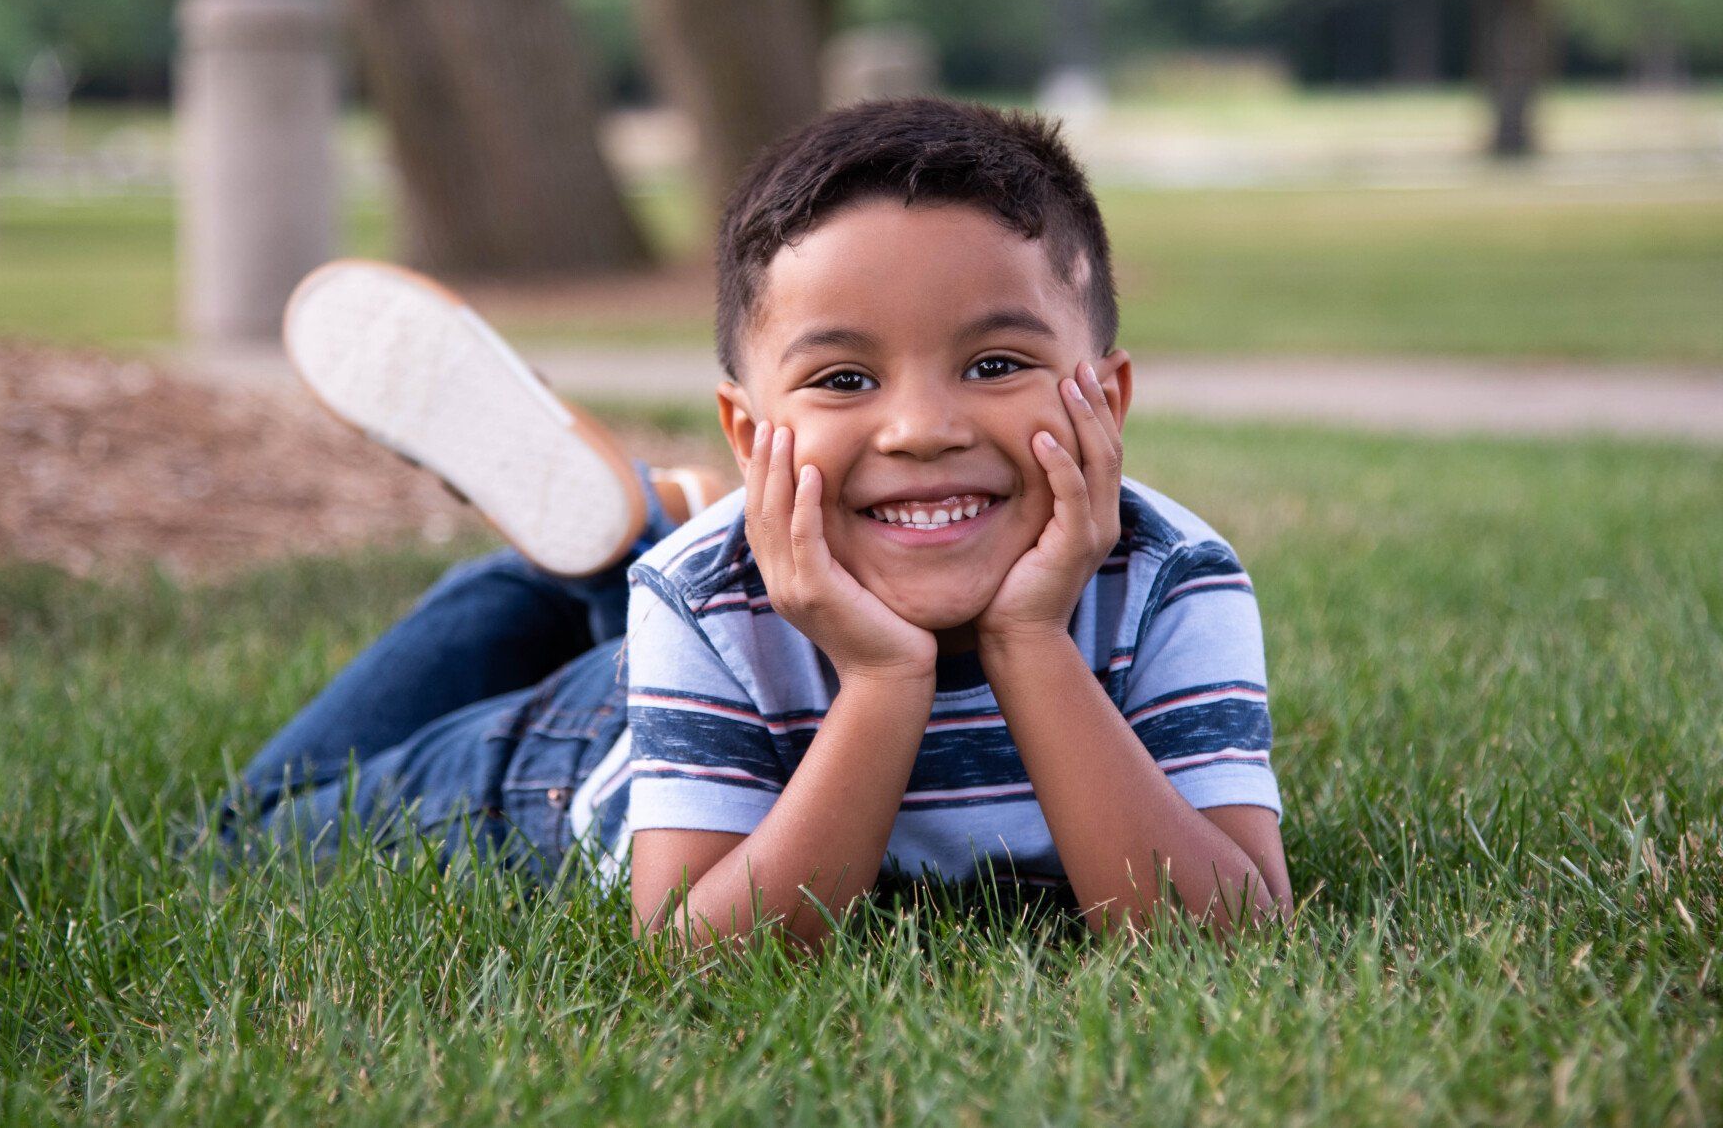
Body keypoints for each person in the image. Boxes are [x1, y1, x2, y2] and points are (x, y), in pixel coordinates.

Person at [220, 97, 1293, 949]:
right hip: (583, 751)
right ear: (748, 427)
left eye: (997, 364)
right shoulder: (708, 597)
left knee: (681, 589)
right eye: (843, 377)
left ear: (1104, 398)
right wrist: (881, 683)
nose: (921, 428)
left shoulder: (1172, 578)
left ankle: (633, 534)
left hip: (750, 638)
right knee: (248, 834)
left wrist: (1029, 642)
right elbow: (702, 951)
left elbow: (1233, 931)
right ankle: (618, 556)